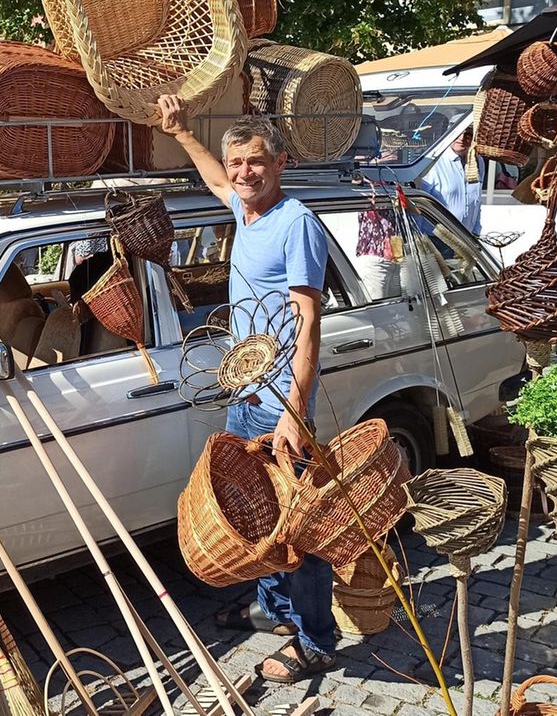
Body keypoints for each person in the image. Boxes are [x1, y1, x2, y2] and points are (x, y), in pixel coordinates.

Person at [158, 94, 335, 684]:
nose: (242, 172)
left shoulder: (296, 223)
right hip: (245, 392)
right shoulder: (244, 209)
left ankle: (316, 639)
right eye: (238, 163)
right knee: (254, 513)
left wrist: (297, 410)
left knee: (298, 521)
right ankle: (275, 609)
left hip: (281, 402)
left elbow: (309, 320)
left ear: (279, 162)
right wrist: (184, 132)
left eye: (255, 162)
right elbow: (213, 177)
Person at [420, 127, 482, 235]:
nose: (461, 138)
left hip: (467, 239)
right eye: (458, 133)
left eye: (467, 135)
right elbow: (420, 203)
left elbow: (476, 201)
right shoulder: (433, 162)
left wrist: (476, 232)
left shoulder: (478, 162)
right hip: (436, 239)